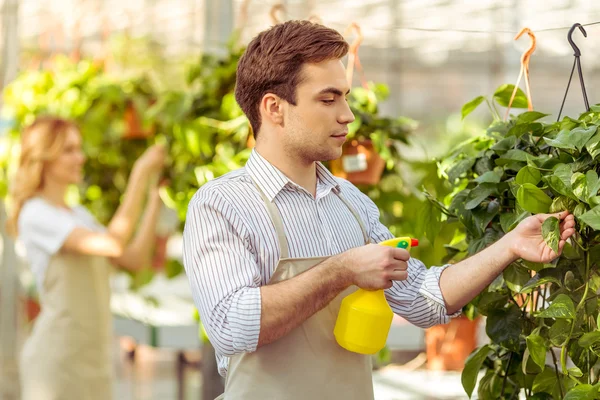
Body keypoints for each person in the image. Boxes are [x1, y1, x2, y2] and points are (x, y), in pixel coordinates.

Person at [182, 21, 576, 400]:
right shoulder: (223, 204)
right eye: (328, 98)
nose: (347, 116)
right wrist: (342, 271)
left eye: (345, 97)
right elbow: (232, 326)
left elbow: (425, 298)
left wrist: (509, 246)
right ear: (274, 108)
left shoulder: (351, 203)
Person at [7, 116, 166, 400]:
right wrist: (140, 174)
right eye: (68, 150)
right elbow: (114, 244)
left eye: (79, 148)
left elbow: (134, 259)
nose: (79, 157)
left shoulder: (79, 216)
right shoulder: (36, 214)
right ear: (44, 156)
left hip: (94, 363)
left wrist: (154, 199)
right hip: (56, 365)